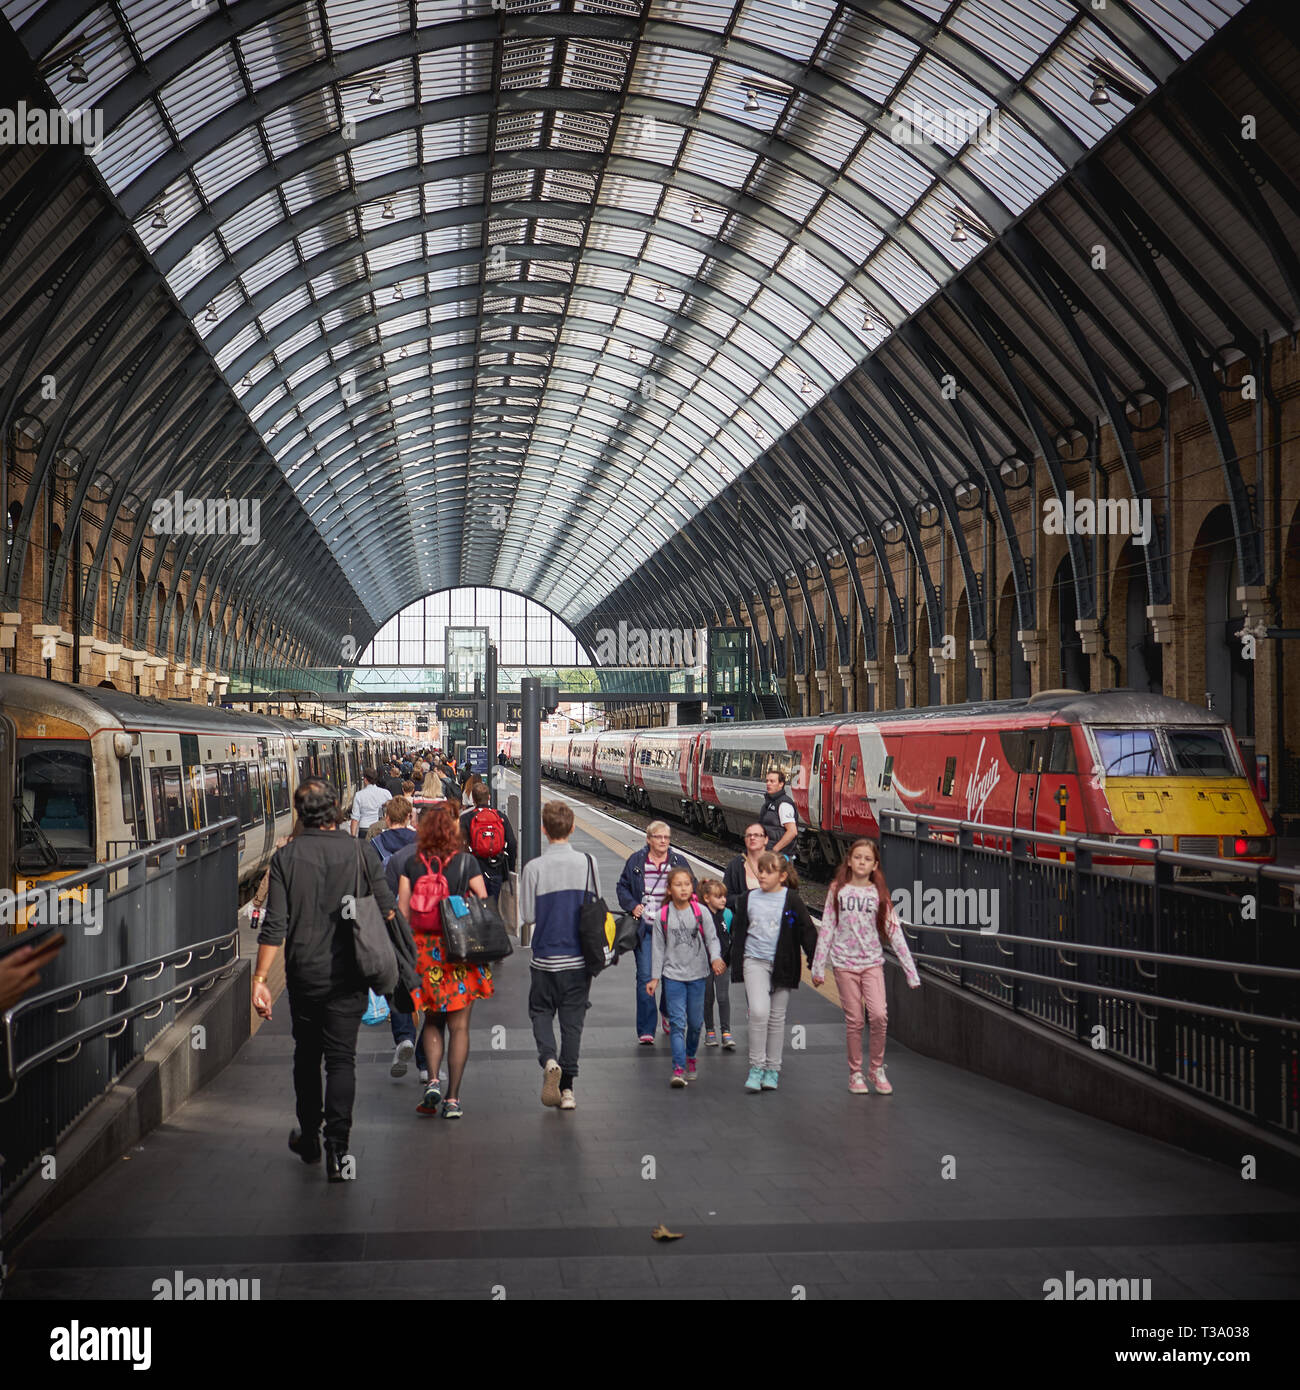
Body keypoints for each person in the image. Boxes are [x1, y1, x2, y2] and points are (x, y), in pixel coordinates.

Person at [253, 781, 399, 1180]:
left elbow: (274, 926)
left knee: (306, 1056)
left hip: (305, 976)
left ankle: (311, 1137)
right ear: (336, 808)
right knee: (341, 1060)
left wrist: (261, 978)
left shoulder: (287, 858)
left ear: (300, 812)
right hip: (350, 973)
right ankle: (339, 1149)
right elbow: (387, 910)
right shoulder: (359, 851)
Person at [397, 805, 492, 1120]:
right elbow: (482, 899)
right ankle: (453, 1099)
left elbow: (403, 911)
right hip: (460, 951)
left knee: (433, 1021)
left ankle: (433, 1080)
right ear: (453, 832)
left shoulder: (412, 863)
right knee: (460, 1026)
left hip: (426, 953)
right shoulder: (467, 862)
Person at [812, 839, 920, 1095]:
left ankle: (876, 1068)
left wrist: (910, 971)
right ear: (849, 861)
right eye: (857, 857)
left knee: (879, 1015)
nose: (861, 862)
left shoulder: (879, 894)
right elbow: (827, 928)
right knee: (855, 1020)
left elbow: (894, 932)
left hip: (872, 963)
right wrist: (818, 967)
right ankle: (855, 1073)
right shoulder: (837, 890)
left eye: (867, 859)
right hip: (844, 964)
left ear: (874, 865)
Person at [518, 800, 593, 1111]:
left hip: (545, 958)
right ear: (573, 827)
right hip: (578, 959)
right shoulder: (588, 862)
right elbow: (595, 905)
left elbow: (527, 915)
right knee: (572, 1024)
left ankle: (549, 1059)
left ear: (544, 830)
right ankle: (567, 1091)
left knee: (540, 1013)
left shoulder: (533, 868)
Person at [728, 851, 817, 1094]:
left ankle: (772, 1069)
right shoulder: (747, 899)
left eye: (768, 871)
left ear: (782, 876)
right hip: (754, 961)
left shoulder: (792, 900)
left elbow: (807, 931)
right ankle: (756, 1067)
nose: (762, 875)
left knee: (777, 1018)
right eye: (761, 870)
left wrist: (815, 963)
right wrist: (730, 961)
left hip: (784, 963)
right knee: (758, 1012)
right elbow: (738, 932)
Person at [647, 867, 726, 1087]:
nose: (683, 888)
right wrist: (655, 978)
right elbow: (658, 948)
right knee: (677, 1023)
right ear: (670, 889)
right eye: (678, 884)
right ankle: (678, 1068)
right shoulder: (663, 915)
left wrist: (716, 958)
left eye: (687, 884)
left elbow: (712, 939)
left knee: (695, 1022)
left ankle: (691, 1055)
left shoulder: (701, 911)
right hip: (672, 977)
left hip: (698, 975)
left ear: (692, 887)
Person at [616, 822, 688, 1045]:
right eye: (658, 837)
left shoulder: (678, 862)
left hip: (672, 930)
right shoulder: (636, 861)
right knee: (646, 977)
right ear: (648, 839)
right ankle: (647, 1028)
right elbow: (622, 887)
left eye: (667, 837)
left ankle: (667, 1012)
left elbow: (691, 886)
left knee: (671, 977)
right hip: (646, 930)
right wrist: (632, 905)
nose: (664, 841)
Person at [460, 783, 517, 900]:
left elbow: (459, 845)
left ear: (474, 799)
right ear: (489, 797)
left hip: (473, 870)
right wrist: (509, 869)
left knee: (475, 908)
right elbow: (512, 843)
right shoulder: (500, 817)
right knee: (492, 908)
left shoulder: (466, 818)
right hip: (496, 869)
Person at [697, 877, 735, 1049]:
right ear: (707, 898)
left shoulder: (728, 914)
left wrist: (727, 960)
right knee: (707, 997)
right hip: (704, 964)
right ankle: (710, 1031)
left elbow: (731, 939)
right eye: (718, 897)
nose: (723, 900)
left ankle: (726, 1032)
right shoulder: (700, 915)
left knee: (723, 996)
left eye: (724, 897)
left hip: (723, 963)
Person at [724, 824, 768, 908]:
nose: (752, 838)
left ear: (766, 839)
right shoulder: (735, 865)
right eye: (748, 835)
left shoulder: (776, 864)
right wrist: (747, 900)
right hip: (743, 917)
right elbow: (726, 897)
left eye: (757, 835)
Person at [759, 768, 798, 856]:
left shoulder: (784, 804)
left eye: (772, 781)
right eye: (767, 781)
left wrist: (774, 850)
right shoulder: (770, 802)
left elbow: (792, 832)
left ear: (781, 784)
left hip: (779, 856)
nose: (768, 784)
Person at [349, 768, 391, 838]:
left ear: (365, 780)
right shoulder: (385, 793)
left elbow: (355, 818)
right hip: (380, 829)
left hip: (364, 828)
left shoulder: (359, 795)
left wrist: (353, 836)